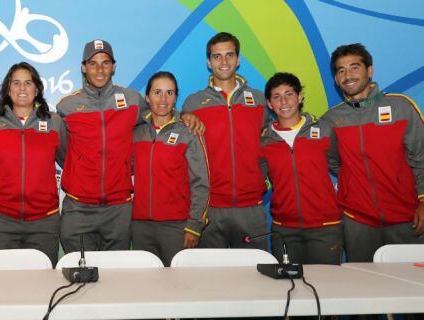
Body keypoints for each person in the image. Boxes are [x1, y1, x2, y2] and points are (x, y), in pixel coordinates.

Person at [56, 39, 202, 255]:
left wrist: (184, 116)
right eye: (93, 63)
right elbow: (62, 152)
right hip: (79, 209)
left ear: (114, 66)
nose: (99, 69)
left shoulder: (132, 100)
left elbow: (160, 111)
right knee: (79, 276)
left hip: (118, 210)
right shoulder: (66, 106)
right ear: (83, 67)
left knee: (116, 279)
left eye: (105, 63)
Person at [321, 43, 424, 263]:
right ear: (336, 80)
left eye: (354, 67)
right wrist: (352, 183)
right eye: (341, 71)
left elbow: (421, 157)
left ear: (370, 70)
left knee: (413, 290)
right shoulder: (330, 120)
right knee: (364, 289)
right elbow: (333, 162)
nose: (348, 75)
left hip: (407, 218)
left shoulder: (401, 107)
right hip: (358, 222)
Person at [182, 32, 269, 249]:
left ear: (238, 60)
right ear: (208, 62)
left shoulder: (259, 99)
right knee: (211, 280)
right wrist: (181, 115)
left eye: (229, 55)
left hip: (252, 208)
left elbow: (270, 143)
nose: (224, 61)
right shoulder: (193, 103)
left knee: (255, 279)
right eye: (217, 56)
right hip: (210, 209)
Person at [0, 62, 67, 266]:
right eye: (16, 83)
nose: (22, 88)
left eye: (28, 83)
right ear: (7, 89)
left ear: (37, 89)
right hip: (1, 219)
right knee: (3, 286)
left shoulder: (54, 122)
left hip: (44, 221)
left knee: (43, 286)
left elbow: (66, 159)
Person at [259, 72, 343, 265]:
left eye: (289, 93)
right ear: (270, 104)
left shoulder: (323, 129)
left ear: (300, 97)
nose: (284, 101)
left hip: (325, 227)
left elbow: (343, 168)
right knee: (290, 289)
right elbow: (257, 179)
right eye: (276, 97)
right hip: (284, 230)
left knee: (327, 289)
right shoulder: (264, 141)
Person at [131, 71, 209, 267]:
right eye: (157, 92)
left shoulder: (189, 131)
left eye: (169, 93)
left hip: (177, 227)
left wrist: (194, 226)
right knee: (146, 287)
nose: (163, 99)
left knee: (178, 289)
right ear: (147, 97)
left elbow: (202, 182)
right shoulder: (136, 132)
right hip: (140, 226)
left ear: (176, 97)